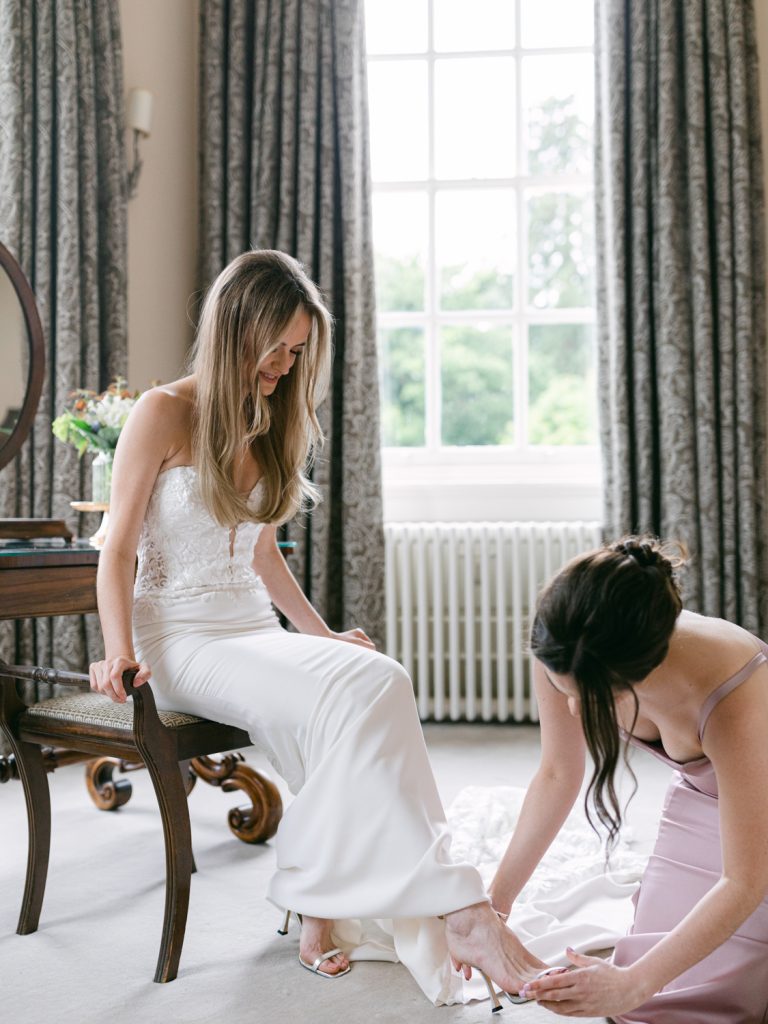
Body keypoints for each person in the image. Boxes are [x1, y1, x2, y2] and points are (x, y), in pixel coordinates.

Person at [88, 248, 544, 1004]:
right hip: (180, 639)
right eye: (277, 348)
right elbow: (118, 551)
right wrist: (117, 651)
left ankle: (332, 904)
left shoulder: (269, 417)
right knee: (353, 696)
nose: (285, 366)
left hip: (252, 628)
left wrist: (320, 634)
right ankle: (450, 911)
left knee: (379, 676)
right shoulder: (162, 412)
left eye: (297, 352)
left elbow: (263, 553)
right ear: (237, 327)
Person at [487, 536, 768, 1021]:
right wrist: (496, 908)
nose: (573, 709)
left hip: (756, 808)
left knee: (708, 1000)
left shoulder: (736, 694)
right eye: (562, 690)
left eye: (597, 699)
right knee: (652, 995)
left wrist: (634, 984)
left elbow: (743, 881)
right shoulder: (566, 642)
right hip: (701, 798)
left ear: (645, 670)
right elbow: (557, 773)